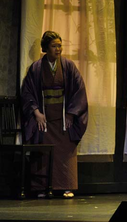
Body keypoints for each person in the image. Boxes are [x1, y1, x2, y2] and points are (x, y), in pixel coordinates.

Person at [21, 31, 88, 198]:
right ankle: (41, 187)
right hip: (43, 117)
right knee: (42, 151)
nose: (58, 49)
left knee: (65, 149)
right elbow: (27, 93)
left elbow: (79, 91)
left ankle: (66, 186)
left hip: (63, 117)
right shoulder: (36, 68)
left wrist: (71, 114)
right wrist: (36, 113)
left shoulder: (68, 66)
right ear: (45, 48)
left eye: (60, 45)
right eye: (54, 46)